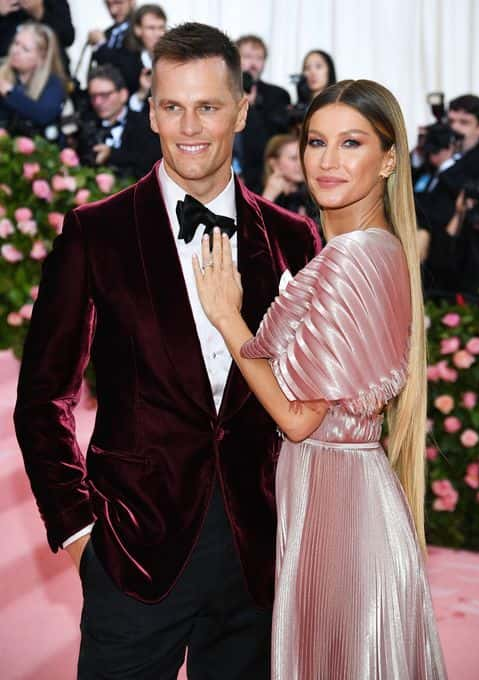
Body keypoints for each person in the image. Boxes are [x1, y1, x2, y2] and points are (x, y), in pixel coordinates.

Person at [14, 22, 320, 679]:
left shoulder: (295, 239)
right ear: (150, 110)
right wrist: (80, 537)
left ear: (241, 109)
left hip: (255, 560)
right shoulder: (96, 231)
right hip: (132, 554)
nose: (189, 127)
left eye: (208, 106)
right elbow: (42, 398)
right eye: (173, 106)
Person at [193, 79, 448, 678]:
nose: (327, 161)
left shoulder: (352, 257)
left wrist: (227, 316)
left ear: (389, 158)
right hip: (349, 495)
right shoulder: (382, 250)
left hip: (336, 507)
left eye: (351, 143)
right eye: (316, 142)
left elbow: (298, 417)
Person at [77, 64, 161, 178]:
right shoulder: (86, 126)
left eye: (104, 95)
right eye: (93, 96)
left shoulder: (145, 125)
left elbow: (149, 164)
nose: (98, 102)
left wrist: (112, 155)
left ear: (123, 95)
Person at [233, 34, 291, 193]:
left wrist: (251, 107)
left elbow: (275, 141)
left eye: (259, 58)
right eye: (247, 57)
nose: (253, 64)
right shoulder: (219, 92)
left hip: (263, 182)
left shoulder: (277, 95)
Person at [0, 21, 67, 136]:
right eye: (15, 43)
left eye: (25, 49)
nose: (16, 51)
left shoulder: (53, 83)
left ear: (42, 57)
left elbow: (44, 114)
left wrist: (10, 92)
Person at [0, 0, 74, 74]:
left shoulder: (53, 3)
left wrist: (38, 11)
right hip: (7, 69)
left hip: (48, 71)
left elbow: (68, 38)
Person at [126, 3, 167, 113]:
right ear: (138, 30)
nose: (158, 33)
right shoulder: (127, 62)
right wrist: (142, 92)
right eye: (151, 28)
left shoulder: (175, 59)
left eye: (161, 27)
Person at [262, 133, 314, 218]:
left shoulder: (312, 195)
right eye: (293, 158)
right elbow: (253, 229)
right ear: (274, 163)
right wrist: (268, 196)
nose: (300, 164)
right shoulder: (253, 195)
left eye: (302, 157)